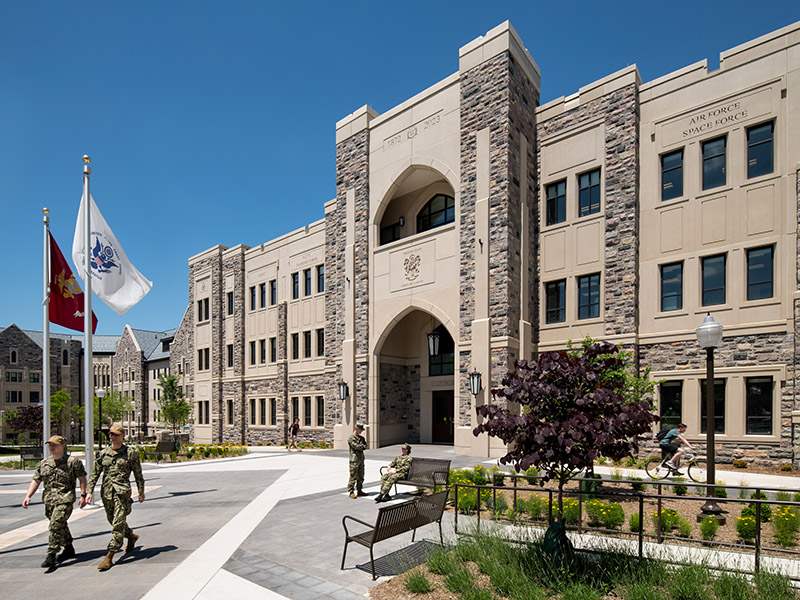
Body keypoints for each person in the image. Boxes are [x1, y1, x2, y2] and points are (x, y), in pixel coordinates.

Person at [86, 424, 145, 571]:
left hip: (122, 493)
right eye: (111, 434)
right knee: (112, 520)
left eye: (116, 434)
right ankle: (131, 536)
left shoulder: (130, 453)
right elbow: (94, 473)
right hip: (107, 493)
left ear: (122, 436)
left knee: (118, 523)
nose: (113, 437)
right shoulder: (103, 454)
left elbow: (138, 473)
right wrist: (88, 492)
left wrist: (141, 491)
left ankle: (110, 556)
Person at [22, 435, 87, 568]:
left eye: (55, 445)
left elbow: (82, 478)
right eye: (50, 445)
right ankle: (68, 547)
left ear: (62, 446)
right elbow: (36, 480)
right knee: (60, 525)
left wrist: (83, 495)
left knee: (55, 525)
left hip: (65, 499)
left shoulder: (72, 462)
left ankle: (51, 554)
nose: (51, 447)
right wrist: (28, 495)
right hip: (49, 500)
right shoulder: (44, 463)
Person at [347, 422, 368, 499]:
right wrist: (361, 446)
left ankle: (359, 490)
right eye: (360, 429)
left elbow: (365, 446)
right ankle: (351, 491)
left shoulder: (362, 438)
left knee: (361, 475)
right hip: (354, 460)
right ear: (356, 429)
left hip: (361, 459)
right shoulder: (351, 438)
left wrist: (361, 446)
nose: (361, 431)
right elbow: (356, 446)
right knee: (353, 476)